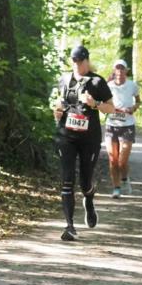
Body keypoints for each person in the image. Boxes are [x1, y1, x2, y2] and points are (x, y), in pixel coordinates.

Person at [52, 45, 115, 241]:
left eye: (80, 62)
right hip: (66, 136)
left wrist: (94, 103)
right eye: (74, 62)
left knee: (85, 181)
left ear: (87, 61)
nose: (77, 65)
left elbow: (111, 109)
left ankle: (89, 199)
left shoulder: (97, 82)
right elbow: (56, 108)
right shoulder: (64, 80)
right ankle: (70, 226)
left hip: (89, 139)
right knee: (67, 179)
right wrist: (57, 110)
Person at [104, 60, 141, 199]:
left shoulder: (132, 85)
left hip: (127, 126)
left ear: (126, 71)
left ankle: (125, 178)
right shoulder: (108, 86)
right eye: (117, 69)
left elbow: (138, 101)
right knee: (112, 159)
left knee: (122, 160)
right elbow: (102, 102)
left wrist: (133, 108)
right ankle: (116, 188)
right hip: (111, 125)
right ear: (114, 70)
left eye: (122, 69)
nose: (119, 71)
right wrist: (109, 108)